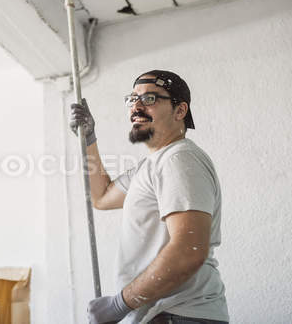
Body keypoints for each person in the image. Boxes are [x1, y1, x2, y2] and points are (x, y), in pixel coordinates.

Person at [69, 70, 229, 324]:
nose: (136, 106)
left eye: (150, 98)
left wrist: (119, 304)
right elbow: (101, 197)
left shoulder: (178, 160)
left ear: (180, 111)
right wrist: (88, 139)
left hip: (179, 315)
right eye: (132, 99)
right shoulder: (152, 165)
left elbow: (190, 250)